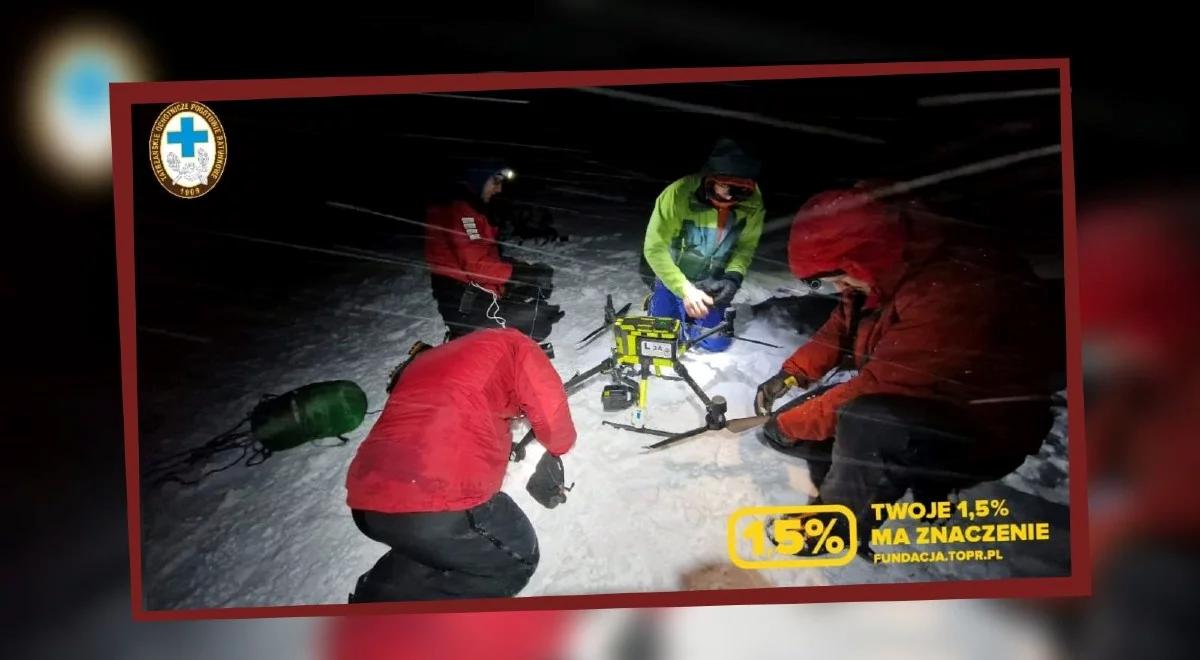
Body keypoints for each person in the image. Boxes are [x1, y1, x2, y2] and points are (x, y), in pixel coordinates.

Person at [755, 185, 1056, 553]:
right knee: (820, 421)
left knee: (866, 419)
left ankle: (839, 528)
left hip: (983, 430)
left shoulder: (955, 289)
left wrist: (788, 425)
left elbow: (882, 388)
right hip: (931, 406)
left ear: (863, 256)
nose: (838, 286)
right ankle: (886, 475)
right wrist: (791, 374)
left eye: (839, 276)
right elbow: (839, 331)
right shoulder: (882, 272)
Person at [345, 328, 577, 602]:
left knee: (451, 549)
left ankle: (374, 602)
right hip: (435, 502)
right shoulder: (517, 346)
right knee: (515, 558)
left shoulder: (431, 361)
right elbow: (554, 423)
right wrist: (560, 444)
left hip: (367, 503)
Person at [643, 138, 765, 351]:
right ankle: (660, 296)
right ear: (710, 177)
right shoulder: (678, 194)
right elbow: (655, 248)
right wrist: (685, 290)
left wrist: (733, 277)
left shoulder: (753, 201)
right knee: (662, 339)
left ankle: (692, 318)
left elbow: (745, 246)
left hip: (711, 281)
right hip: (674, 276)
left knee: (715, 342)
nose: (729, 195)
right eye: (724, 185)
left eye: (740, 189)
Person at [424, 159, 564, 342]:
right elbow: (476, 266)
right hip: (465, 306)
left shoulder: (471, 210)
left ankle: (510, 312)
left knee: (538, 281)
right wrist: (517, 274)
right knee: (538, 324)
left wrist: (523, 270)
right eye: (495, 182)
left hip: (478, 291)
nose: (498, 189)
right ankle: (469, 334)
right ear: (479, 180)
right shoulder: (462, 215)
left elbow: (485, 255)